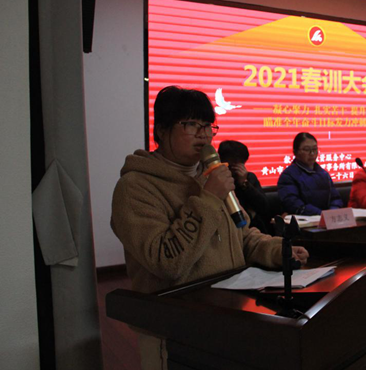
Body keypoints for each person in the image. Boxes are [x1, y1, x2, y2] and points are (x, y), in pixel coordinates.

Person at [111, 86, 308, 370]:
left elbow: (243, 234)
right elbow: (166, 262)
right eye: (191, 124)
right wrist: (209, 198)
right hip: (175, 333)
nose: (204, 135)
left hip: (229, 316)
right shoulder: (135, 188)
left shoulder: (211, 176)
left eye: (208, 126)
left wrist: (278, 250)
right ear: (162, 130)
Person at [277, 132, 343, 215]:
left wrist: (333, 211)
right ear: (295, 152)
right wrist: (321, 214)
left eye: (315, 149)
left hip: (326, 218)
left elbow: (336, 198)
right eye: (306, 150)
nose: (312, 153)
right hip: (305, 220)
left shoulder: (323, 174)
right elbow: (293, 204)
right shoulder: (288, 176)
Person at [218, 140, 272, 235]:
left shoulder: (249, 177)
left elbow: (264, 207)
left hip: (253, 228)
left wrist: (244, 184)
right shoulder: (218, 179)